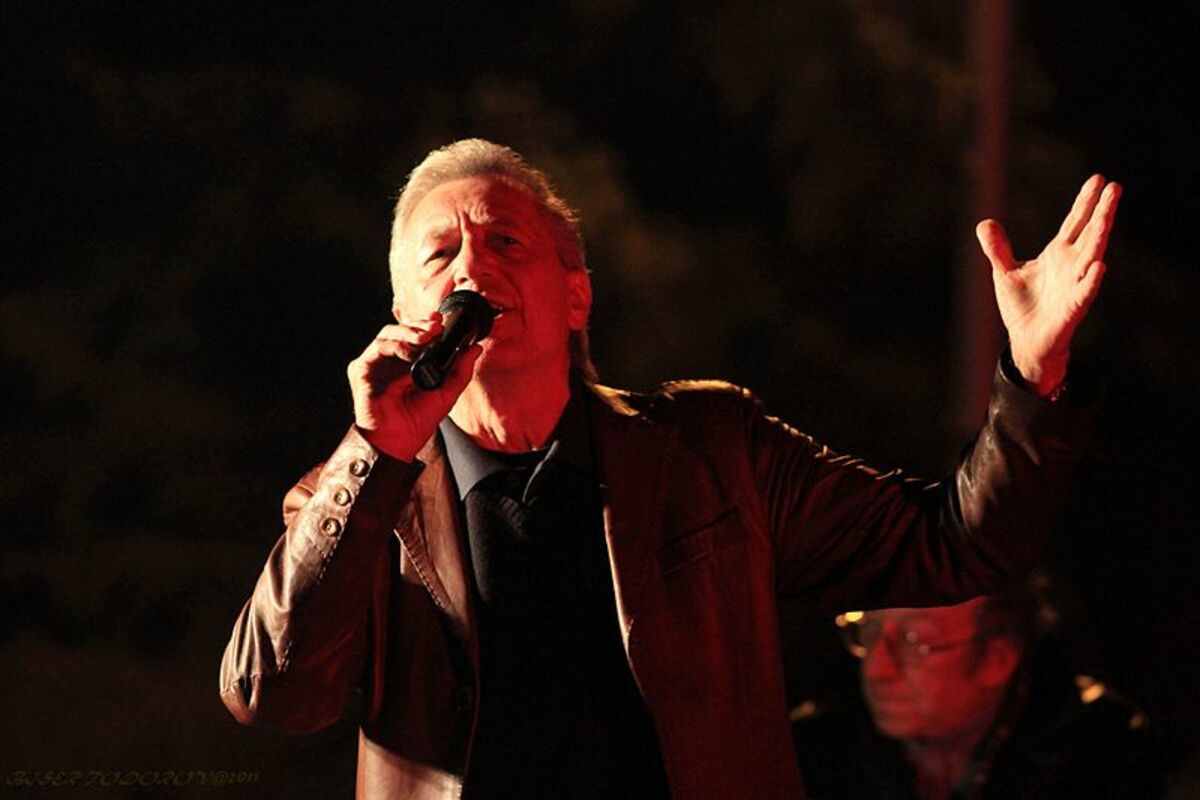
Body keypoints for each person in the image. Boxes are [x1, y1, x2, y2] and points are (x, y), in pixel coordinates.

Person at [219, 139, 1120, 799]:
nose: (471, 269)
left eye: (504, 243)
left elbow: (956, 547)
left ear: (577, 295)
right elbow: (273, 695)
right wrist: (375, 453)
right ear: (405, 310)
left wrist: (1032, 377)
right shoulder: (352, 498)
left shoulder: (711, 450)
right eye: (441, 254)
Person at [791, 586, 1164, 799]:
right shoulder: (814, 746)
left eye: (915, 641)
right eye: (868, 632)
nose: (876, 669)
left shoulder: (1101, 754)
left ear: (999, 656)